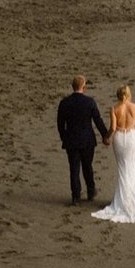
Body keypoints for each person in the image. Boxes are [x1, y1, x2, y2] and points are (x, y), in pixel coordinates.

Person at [92, 84, 135, 224]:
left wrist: (106, 137)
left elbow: (113, 128)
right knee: (132, 169)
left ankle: (122, 201)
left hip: (120, 138)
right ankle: (132, 201)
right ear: (129, 94)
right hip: (132, 137)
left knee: (122, 169)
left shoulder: (114, 109)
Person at [56, 75, 109, 206]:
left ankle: (76, 196)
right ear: (83, 87)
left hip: (71, 140)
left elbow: (60, 123)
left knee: (74, 168)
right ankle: (90, 191)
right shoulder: (90, 102)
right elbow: (97, 120)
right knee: (87, 166)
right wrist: (105, 135)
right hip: (87, 140)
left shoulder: (64, 102)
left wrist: (64, 136)